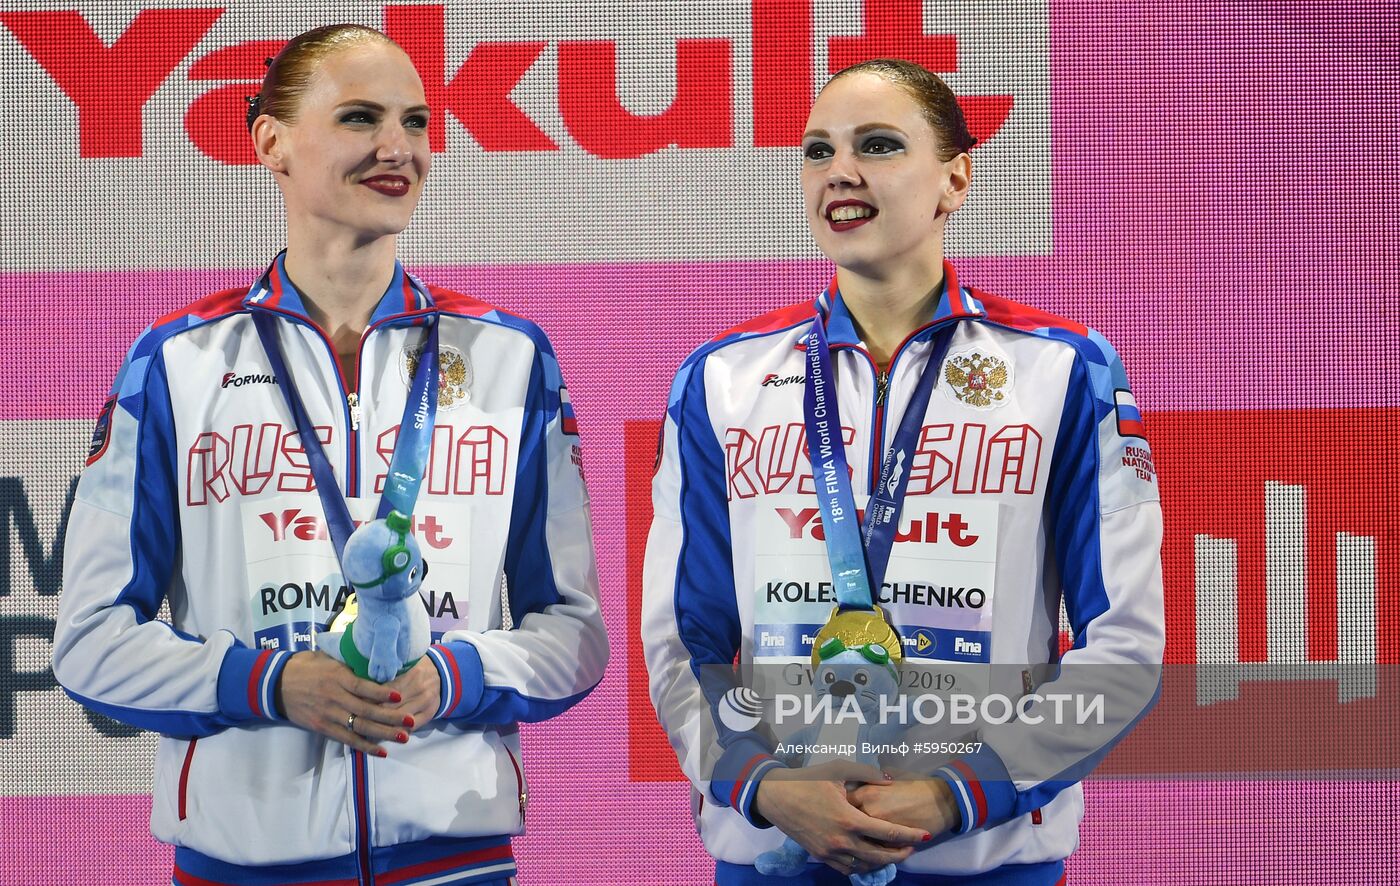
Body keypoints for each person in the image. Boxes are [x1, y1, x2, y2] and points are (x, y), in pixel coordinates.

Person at [52, 24, 607, 885]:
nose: (399, 148)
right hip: (245, 862)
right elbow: (91, 642)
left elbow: (574, 634)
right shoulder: (177, 364)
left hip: (454, 858)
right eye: (360, 118)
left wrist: (453, 677)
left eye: (417, 122)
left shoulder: (510, 357)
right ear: (272, 142)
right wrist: (267, 683)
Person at [642, 58, 1163, 885]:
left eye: (877, 145)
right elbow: (685, 638)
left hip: (981, 860)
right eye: (817, 151)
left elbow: (1124, 645)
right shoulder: (722, 377)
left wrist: (959, 792)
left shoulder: (1062, 370)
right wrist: (765, 784)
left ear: (955, 178)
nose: (839, 172)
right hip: (778, 852)